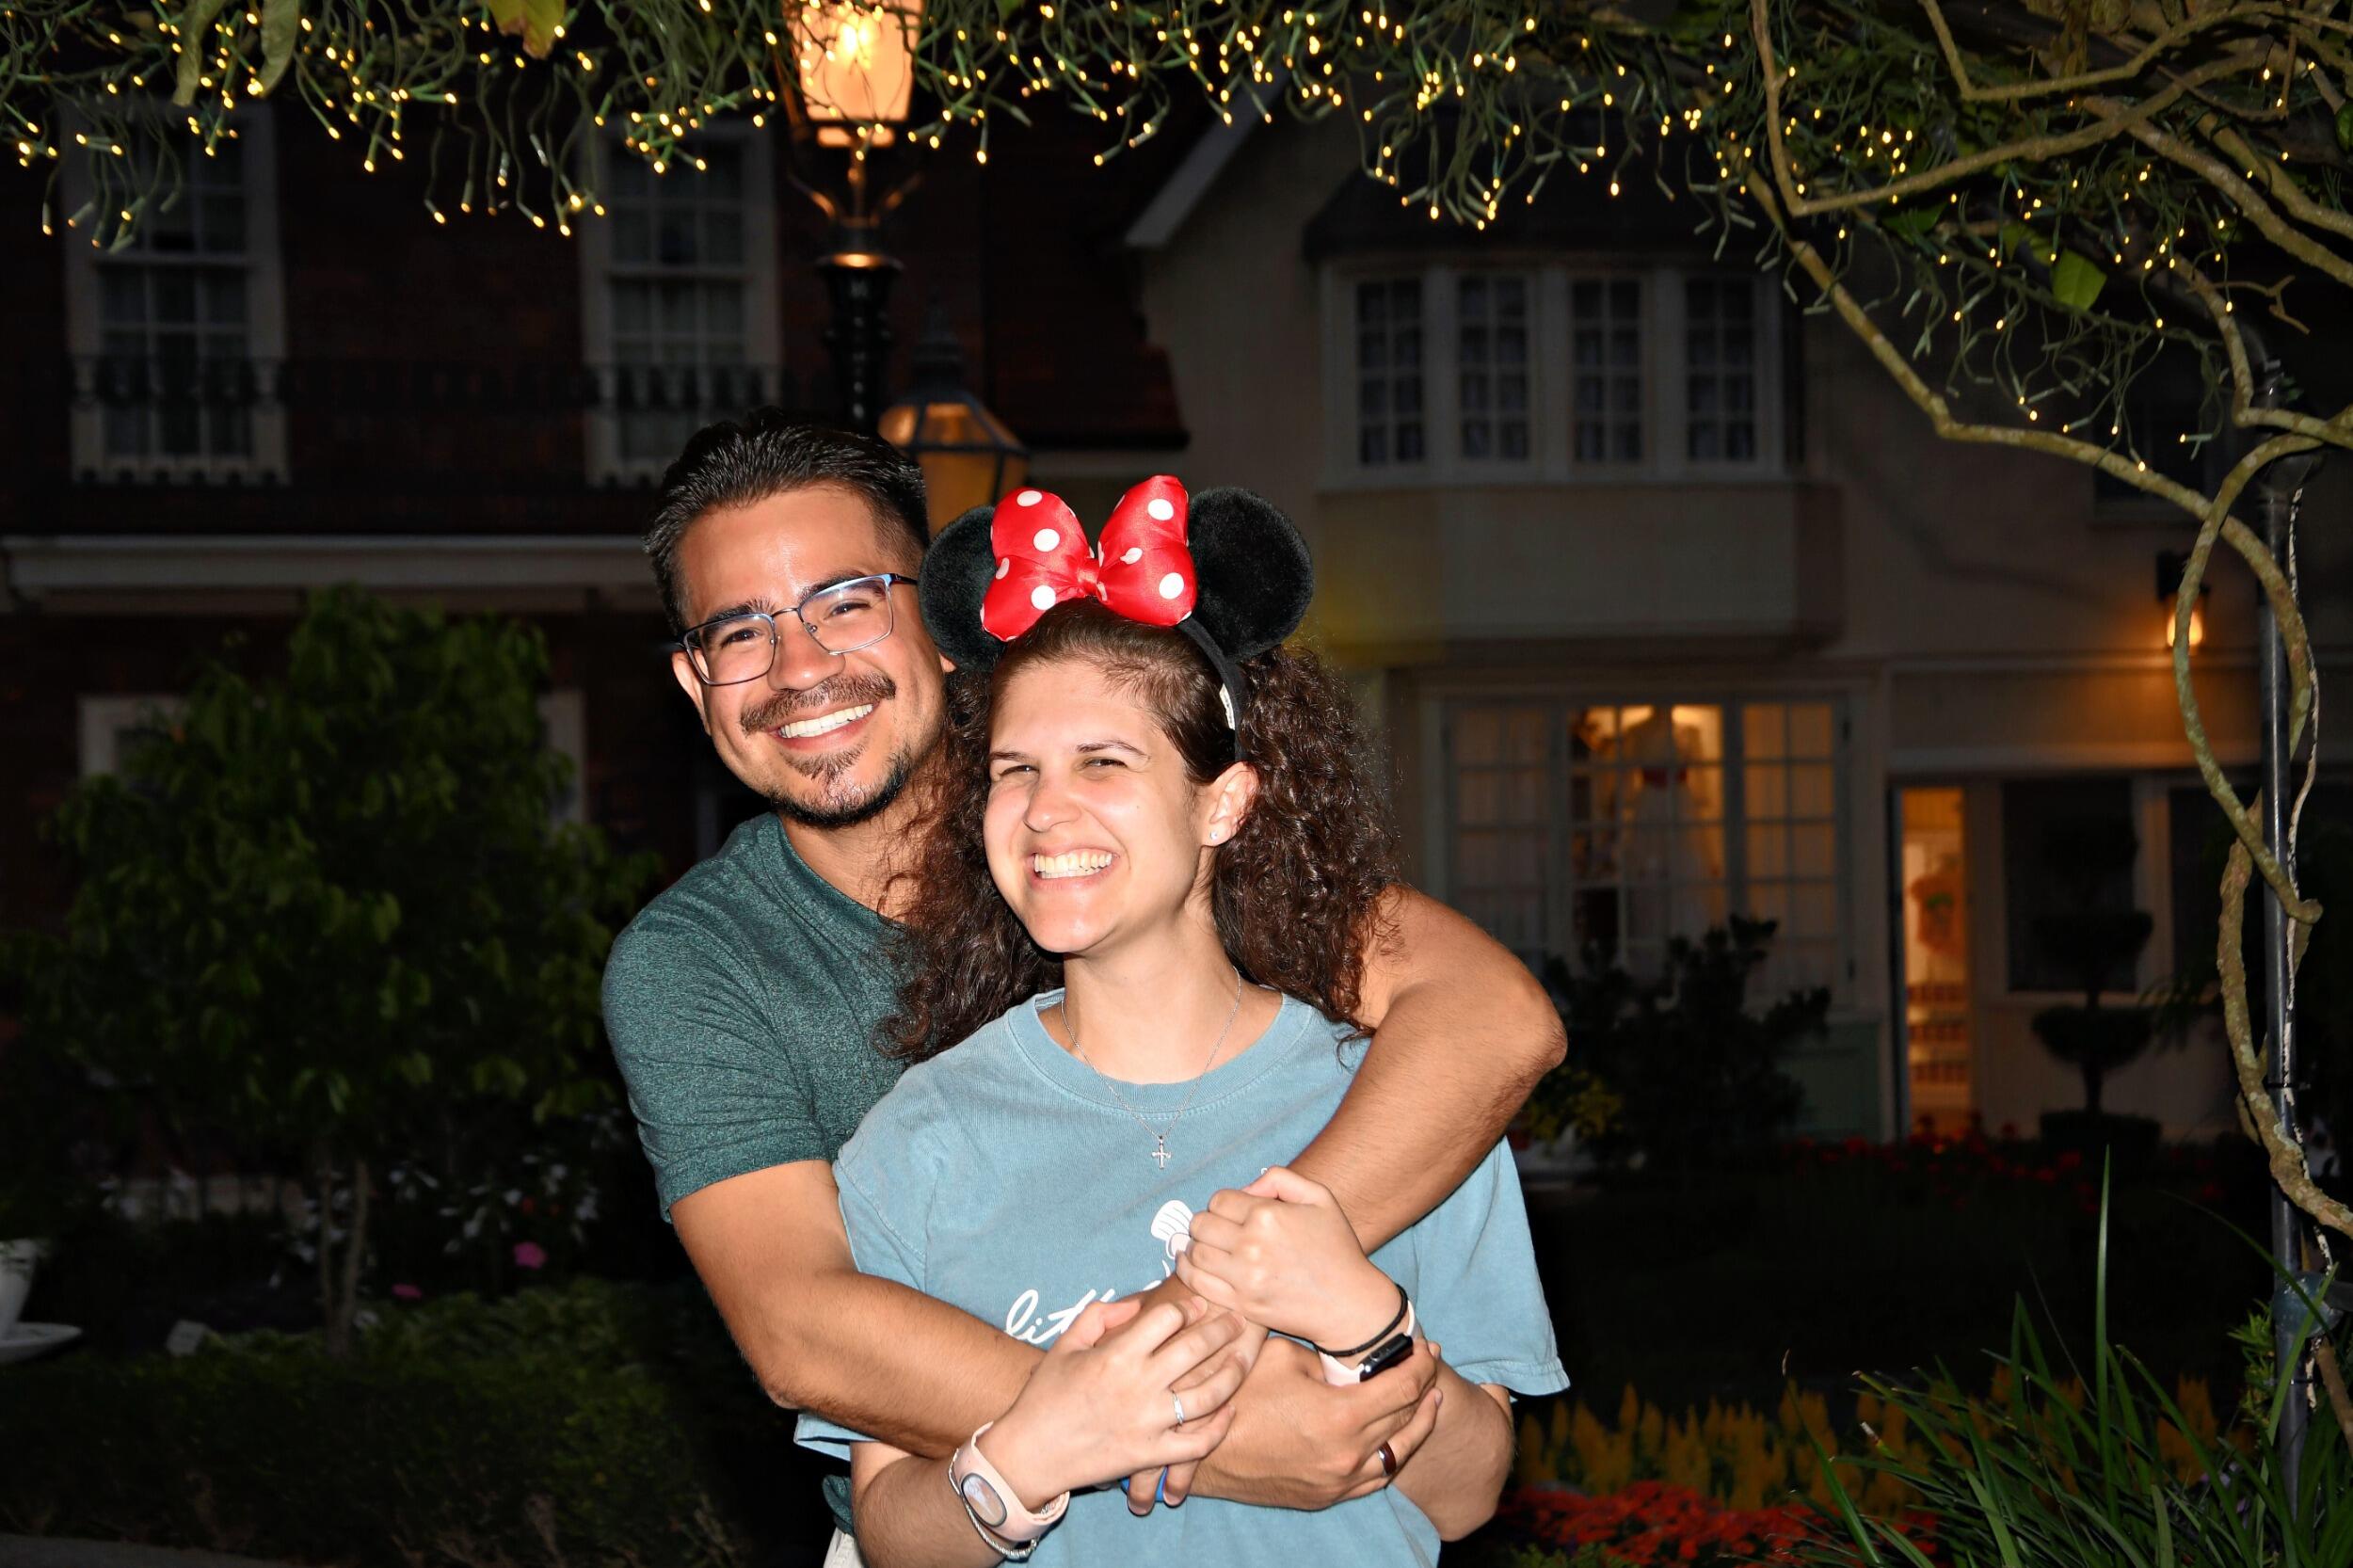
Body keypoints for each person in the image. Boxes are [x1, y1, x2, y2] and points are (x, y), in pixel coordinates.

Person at [600, 415, 1566, 1552]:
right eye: (741, 631)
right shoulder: (701, 965)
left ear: (938, 617)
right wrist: (1192, 1425)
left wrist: (1234, 1287)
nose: (803, 666)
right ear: (693, 676)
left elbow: (1492, 1016)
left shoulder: (1140, 849)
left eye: (845, 600)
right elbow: (803, 1330)